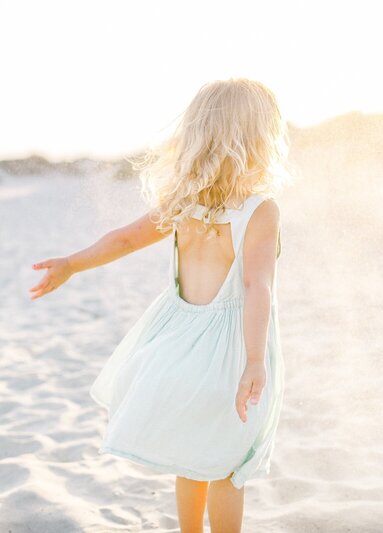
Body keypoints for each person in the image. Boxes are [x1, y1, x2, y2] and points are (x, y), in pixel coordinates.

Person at [29, 78, 292, 533]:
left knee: (192, 455)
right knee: (230, 462)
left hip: (177, 343)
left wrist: (73, 263)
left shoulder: (184, 201)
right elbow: (256, 287)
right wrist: (253, 360)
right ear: (260, 138)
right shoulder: (259, 209)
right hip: (229, 350)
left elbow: (126, 238)